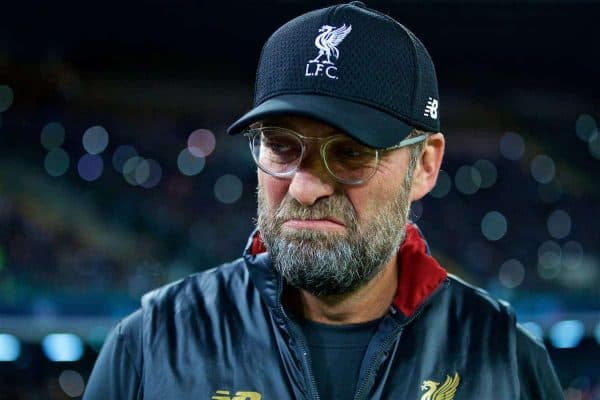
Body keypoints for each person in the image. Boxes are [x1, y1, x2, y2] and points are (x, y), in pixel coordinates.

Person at [83, 2, 564, 399]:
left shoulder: (507, 362)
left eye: (351, 153)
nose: (304, 187)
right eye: (281, 147)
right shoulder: (148, 347)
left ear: (424, 166)